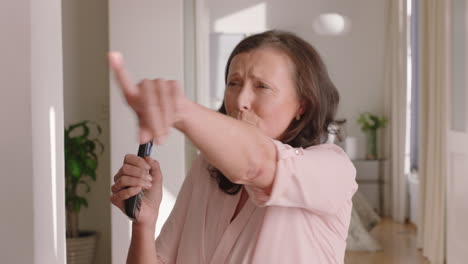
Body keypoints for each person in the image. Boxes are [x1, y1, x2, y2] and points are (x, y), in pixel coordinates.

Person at [109, 30, 358, 264]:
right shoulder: (206, 169)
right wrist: (144, 223)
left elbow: (257, 165)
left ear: (302, 106)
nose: (240, 101)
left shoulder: (333, 169)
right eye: (233, 83)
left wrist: (179, 109)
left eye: (262, 86)